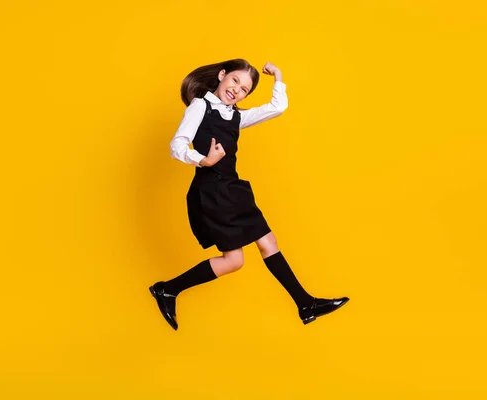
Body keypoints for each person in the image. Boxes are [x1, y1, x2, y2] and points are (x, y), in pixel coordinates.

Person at [149, 59, 348, 330]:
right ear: (222, 75)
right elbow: (177, 144)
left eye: (244, 89)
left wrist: (278, 75)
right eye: (234, 81)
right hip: (213, 192)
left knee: (251, 252)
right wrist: (204, 160)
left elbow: (278, 107)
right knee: (245, 255)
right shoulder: (201, 106)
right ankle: (167, 289)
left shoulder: (236, 117)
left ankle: (305, 304)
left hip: (232, 188)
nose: (236, 90)